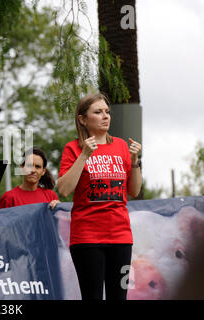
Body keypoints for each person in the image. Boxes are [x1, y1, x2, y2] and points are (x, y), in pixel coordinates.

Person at [57, 92, 142, 300]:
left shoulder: (122, 146)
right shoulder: (73, 148)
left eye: (107, 112)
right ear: (83, 119)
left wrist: (134, 161)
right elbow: (64, 189)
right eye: (98, 112)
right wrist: (85, 154)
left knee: (118, 297)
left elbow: (134, 191)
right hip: (87, 238)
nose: (105, 116)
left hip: (121, 237)